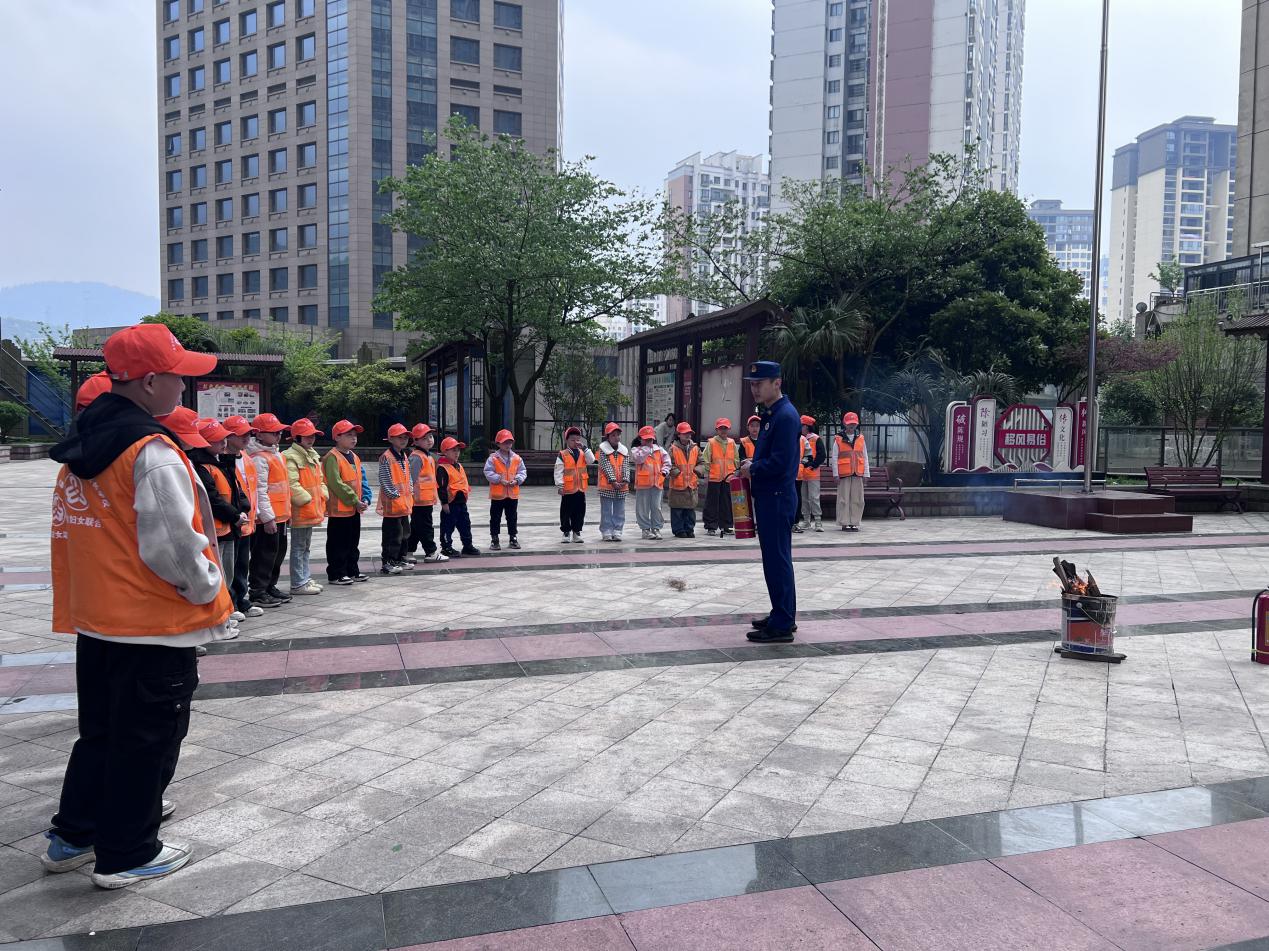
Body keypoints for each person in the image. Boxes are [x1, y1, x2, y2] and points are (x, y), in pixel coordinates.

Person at [43, 323, 233, 889]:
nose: (184, 388)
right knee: (146, 739)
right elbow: (173, 544)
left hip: (99, 618)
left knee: (101, 733)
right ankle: (127, 852)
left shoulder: (85, 445)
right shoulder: (150, 452)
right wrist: (207, 588)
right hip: (152, 623)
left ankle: (74, 834)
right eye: (178, 377)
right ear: (150, 381)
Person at [739, 360, 801, 644]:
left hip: (776, 497)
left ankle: (782, 623)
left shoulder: (785, 416)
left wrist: (753, 468)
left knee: (777, 560)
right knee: (775, 559)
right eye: (752, 384)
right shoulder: (772, 414)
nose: (755, 388)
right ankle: (781, 612)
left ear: (777, 383)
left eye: (759, 383)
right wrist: (753, 463)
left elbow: (781, 462)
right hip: (770, 497)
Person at [192, 418, 250, 608]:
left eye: (224, 438)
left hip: (228, 527)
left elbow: (236, 489)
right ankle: (223, 608)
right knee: (220, 571)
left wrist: (242, 509)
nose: (223, 443)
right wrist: (235, 515)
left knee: (230, 569)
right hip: (216, 529)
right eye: (217, 439)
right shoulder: (202, 466)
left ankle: (230, 605)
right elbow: (213, 499)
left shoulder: (221, 462)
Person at [246, 414, 292, 608]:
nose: (278, 435)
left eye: (279, 432)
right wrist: (267, 517)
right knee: (264, 555)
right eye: (273, 432)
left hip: (280, 515)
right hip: (268, 518)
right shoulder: (258, 458)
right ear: (259, 434)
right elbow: (260, 490)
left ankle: (270, 586)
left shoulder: (276, 454)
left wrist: (286, 513)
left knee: (277, 553)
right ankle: (258, 591)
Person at [219, 416, 260, 619]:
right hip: (232, 521)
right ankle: (231, 604)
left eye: (248, 433)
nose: (247, 437)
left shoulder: (246, 458)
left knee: (243, 564)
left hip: (247, 521)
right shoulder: (221, 459)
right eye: (241, 434)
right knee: (230, 567)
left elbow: (253, 488)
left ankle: (242, 601)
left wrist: (256, 512)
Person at [322, 419, 370, 585]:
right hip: (339, 510)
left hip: (354, 509)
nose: (354, 438)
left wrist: (364, 498)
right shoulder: (332, 457)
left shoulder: (354, 456)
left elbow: (360, 480)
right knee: (338, 543)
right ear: (337, 437)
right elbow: (336, 483)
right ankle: (336, 573)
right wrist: (354, 500)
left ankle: (352, 570)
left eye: (355, 435)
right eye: (349, 435)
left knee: (352, 542)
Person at [283, 417, 327, 594]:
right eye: (307, 436)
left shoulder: (311, 454)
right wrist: (307, 499)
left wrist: (322, 494)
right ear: (297, 437)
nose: (311, 439)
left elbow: (320, 480)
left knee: (305, 547)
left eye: (313, 435)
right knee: (299, 547)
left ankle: (305, 578)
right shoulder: (290, 456)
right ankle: (298, 582)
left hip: (310, 509)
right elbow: (292, 483)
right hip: (301, 510)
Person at [377, 423, 414, 575]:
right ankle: (388, 562)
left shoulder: (404, 455)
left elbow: (408, 477)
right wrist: (395, 495)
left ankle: (399, 558)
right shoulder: (386, 457)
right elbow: (385, 479)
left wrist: (410, 489)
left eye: (405, 437)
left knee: (404, 534)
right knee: (392, 536)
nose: (404, 440)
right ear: (391, 439)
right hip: (393, 505)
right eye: (400, 437)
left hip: (404, 504)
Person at [406, 424, 447, 563]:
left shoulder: (427, 455)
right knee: (426, 527)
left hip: (425, 499)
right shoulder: (417, 457)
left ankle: (408, 552)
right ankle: (431, 552)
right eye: (424, 438)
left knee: (416, 527)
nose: (429, 440)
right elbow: (410, 479)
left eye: (430, 436)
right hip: (419, 500)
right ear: (416, 441)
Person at [484, 428, 527, 550]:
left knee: (512, 517)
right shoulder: (493, 458)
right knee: (495, 518)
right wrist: (499, 479)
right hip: (498, 495)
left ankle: (513, 538)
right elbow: (487, 472)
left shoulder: (517, 458)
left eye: (509, 442)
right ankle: (494, 539)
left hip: (512, 495)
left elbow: (522, 471)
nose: (508, 445)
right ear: (498, 444)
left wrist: (517, 480)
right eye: (505, 442)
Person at [437, 436, 480, 557]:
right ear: (445, 452)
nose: (457, 453)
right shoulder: (442, 468)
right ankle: (446, 547)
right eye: (453, 450)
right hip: (450, 503)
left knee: (465, 525)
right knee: (447, 526)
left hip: (461, 503)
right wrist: (444, 503)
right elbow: (441, 487)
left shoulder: (458, 465)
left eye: (458, 450)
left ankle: (467, 546)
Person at [700, 417, 739, 537]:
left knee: (727, 503)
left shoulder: (732, 443)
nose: (723, 430)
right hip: (714, 477)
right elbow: (705, 459)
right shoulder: (711, 443)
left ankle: (727, 526)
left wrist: (736, 472)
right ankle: (711, 526)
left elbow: (736, 459)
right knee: (712, 503)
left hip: (728, 477)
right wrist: (706, 474)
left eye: (725, 428)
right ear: (717, 430)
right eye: (721, 428)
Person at [554, 426, 594, 543]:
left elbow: (591, 460)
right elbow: (558, 471)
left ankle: (577, 531)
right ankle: (566, 532)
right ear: (567, 440)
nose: (575, 442)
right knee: (566, 512)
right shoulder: (563, 454)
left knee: (580, 512)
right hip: (568, 489)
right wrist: (560, 485)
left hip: (580, 489)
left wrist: (585, 448)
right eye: (572, 440)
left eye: (578, 440)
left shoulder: (583, 453)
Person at [832, 411, 870, 532]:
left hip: (858, 473)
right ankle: (844, 522)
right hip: (843, 474)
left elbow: (865, 457)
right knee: (843, 499)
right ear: (844, 424)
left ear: (857, 424)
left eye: (854, 423)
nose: (851, 426)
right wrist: (835, 474)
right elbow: (834, 457)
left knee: (857, 499)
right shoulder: (838, 439)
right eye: (849, 423)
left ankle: (854, 522)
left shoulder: (861, 438)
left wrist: (866, 474)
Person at [631, 425, 670, 540]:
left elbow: (667, 462)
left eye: (650, 439)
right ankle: (645, 529)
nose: (649, 441)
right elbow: (638, 459)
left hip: (657, 483)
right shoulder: (636, 450)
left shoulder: (660, 450)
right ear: (640, 439)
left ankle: (656, 528)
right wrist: (646, 449)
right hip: (643, 484)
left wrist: (664, 472)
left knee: (657, 507)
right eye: (646, 439)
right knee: (642, 508)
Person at [596, 422, 630, 542]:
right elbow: (605, 466)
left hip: (621, 486)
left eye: (618, 435)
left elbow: (626, 466)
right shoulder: (603, 450)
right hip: (607, 486)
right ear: (608, 437)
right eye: (613, 435)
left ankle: (617, 530)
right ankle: (606, 531)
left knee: (620, 510)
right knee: (606, 510)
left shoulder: (624, 450)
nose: (616, 437)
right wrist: (613, 481)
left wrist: (625, 480)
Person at [666, 421, 700, 538]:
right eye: (685, 433)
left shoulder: (695, 448)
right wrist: (677, 473)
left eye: (689, 433)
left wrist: (697, 471)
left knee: (690, 510)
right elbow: (669, 464)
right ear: (679, 435)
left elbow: (702, 462)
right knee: (677, 510)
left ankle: (689, 529)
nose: (688, 435)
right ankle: (679, 530)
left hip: (691, 484)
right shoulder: (673, 449)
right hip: (678, 484)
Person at [796, 415, 826, 533]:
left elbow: (821, 455)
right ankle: (806, 521)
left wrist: (813, 465)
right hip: (802, 474)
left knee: (814, 498)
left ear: (807, 427)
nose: (800, 427)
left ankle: (818, 521)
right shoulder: (799, 438)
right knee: (804, 498)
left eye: (801, 425)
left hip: (813, 474)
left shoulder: (816, 438)